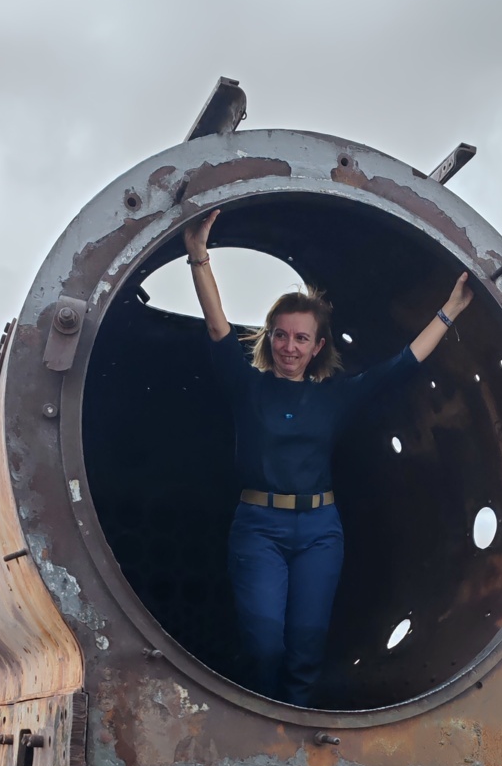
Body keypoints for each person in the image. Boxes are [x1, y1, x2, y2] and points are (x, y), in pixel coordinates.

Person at [184, 208, 473, 706]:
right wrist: (198, 255)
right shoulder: (246, 385)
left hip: (320, 530)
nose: (289, 347)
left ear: (317, 346)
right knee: (265, 643)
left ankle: (292, 733)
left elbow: (402, 364)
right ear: (269, 337)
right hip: (258, 526)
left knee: (306, 647)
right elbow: (217, 325)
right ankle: (260, 726)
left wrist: (451, 309)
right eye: (280, 334)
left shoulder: (336, 396)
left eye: (301, 338)